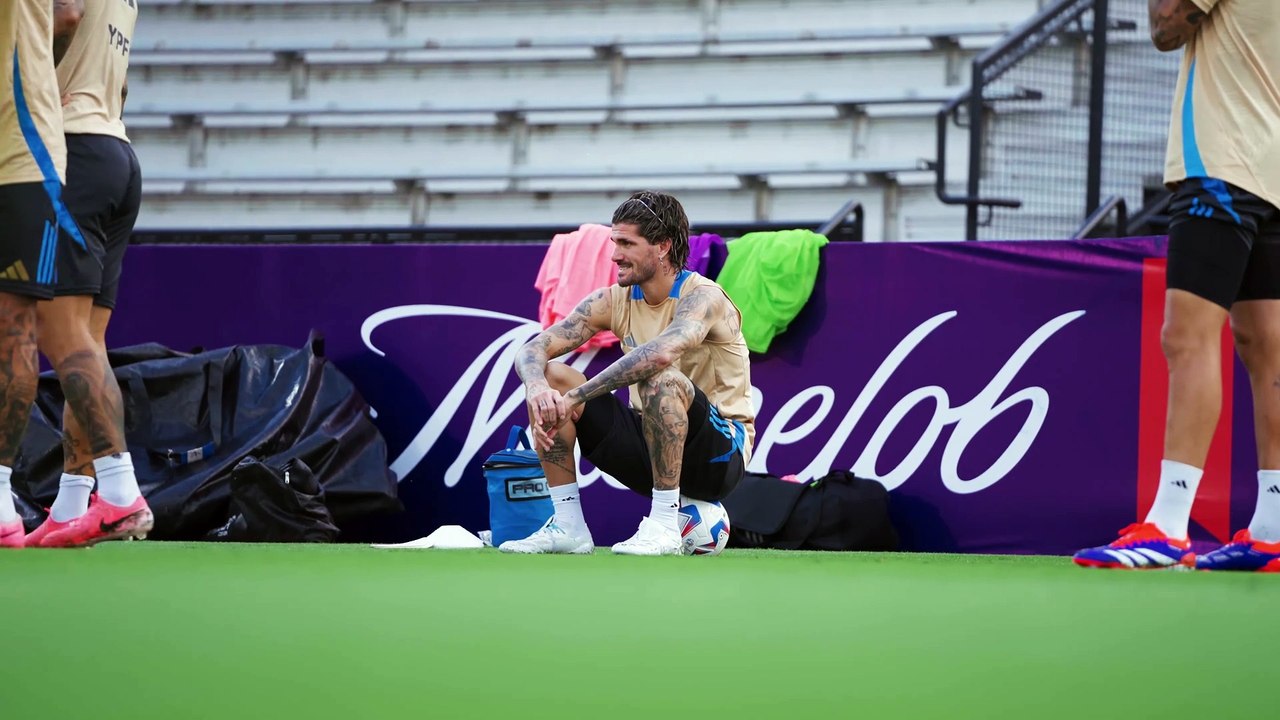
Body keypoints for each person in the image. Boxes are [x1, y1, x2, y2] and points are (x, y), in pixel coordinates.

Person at [1074, 0, 1280, 571]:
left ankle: (1167, 525)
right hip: (1272, 166)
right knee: (1267, 351)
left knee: (1186, 339)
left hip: (1221, 162)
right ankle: (1273, 526)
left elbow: (1166, 25)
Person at [501, 190, 754, 555]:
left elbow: (660, 354)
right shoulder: (613, 299)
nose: (614, 254)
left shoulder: (704, 297)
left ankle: (665, 527)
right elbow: (533, 349)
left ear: (663, 246)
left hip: (717, 458)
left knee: (658, 375)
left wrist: (574, 398)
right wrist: (538, 388)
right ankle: (568, 526)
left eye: (626, 243)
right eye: (613, 241)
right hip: (652, 449)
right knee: (555, 376)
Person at [24, 0, 149, 548]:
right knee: (87, 340)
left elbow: (67, 14)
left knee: (62, 334)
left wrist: (37, 92)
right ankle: (73, 503)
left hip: (70, 149)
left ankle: (121, 495)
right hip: (116, 151)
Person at [0, 0, 95, 547]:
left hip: (24, 162)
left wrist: (42, 70)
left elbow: (67, 15)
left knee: (23, 331)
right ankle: (93, 493)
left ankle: (106, 488)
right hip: (29, 156)